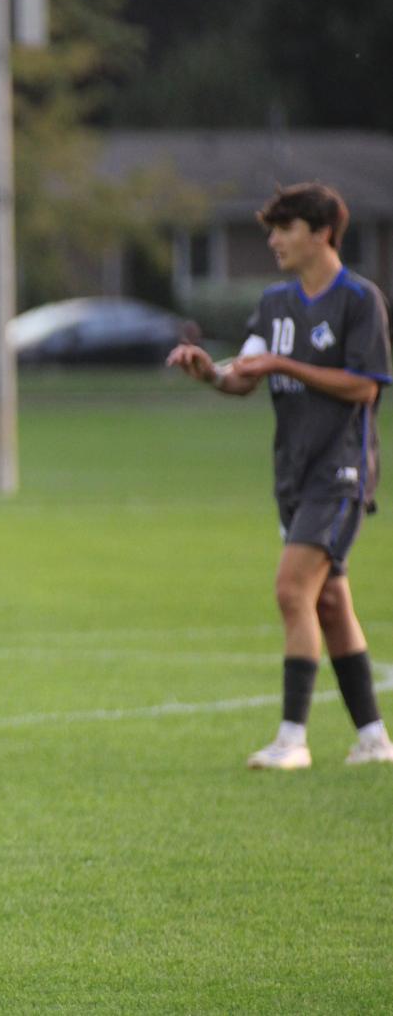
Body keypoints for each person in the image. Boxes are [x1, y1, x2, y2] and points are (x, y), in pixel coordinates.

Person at [167, 183, 393, 770]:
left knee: (293, 590)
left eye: (283, 229)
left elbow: (365, 386)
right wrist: (206, 374)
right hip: (292, 474)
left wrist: (285, 364)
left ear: (321, 233)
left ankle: (292, 738)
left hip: (341, 470)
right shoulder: (274, 303)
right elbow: (243, 374)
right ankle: (373, 737)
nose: (272, 241)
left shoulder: (359, 300)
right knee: (330, 603)